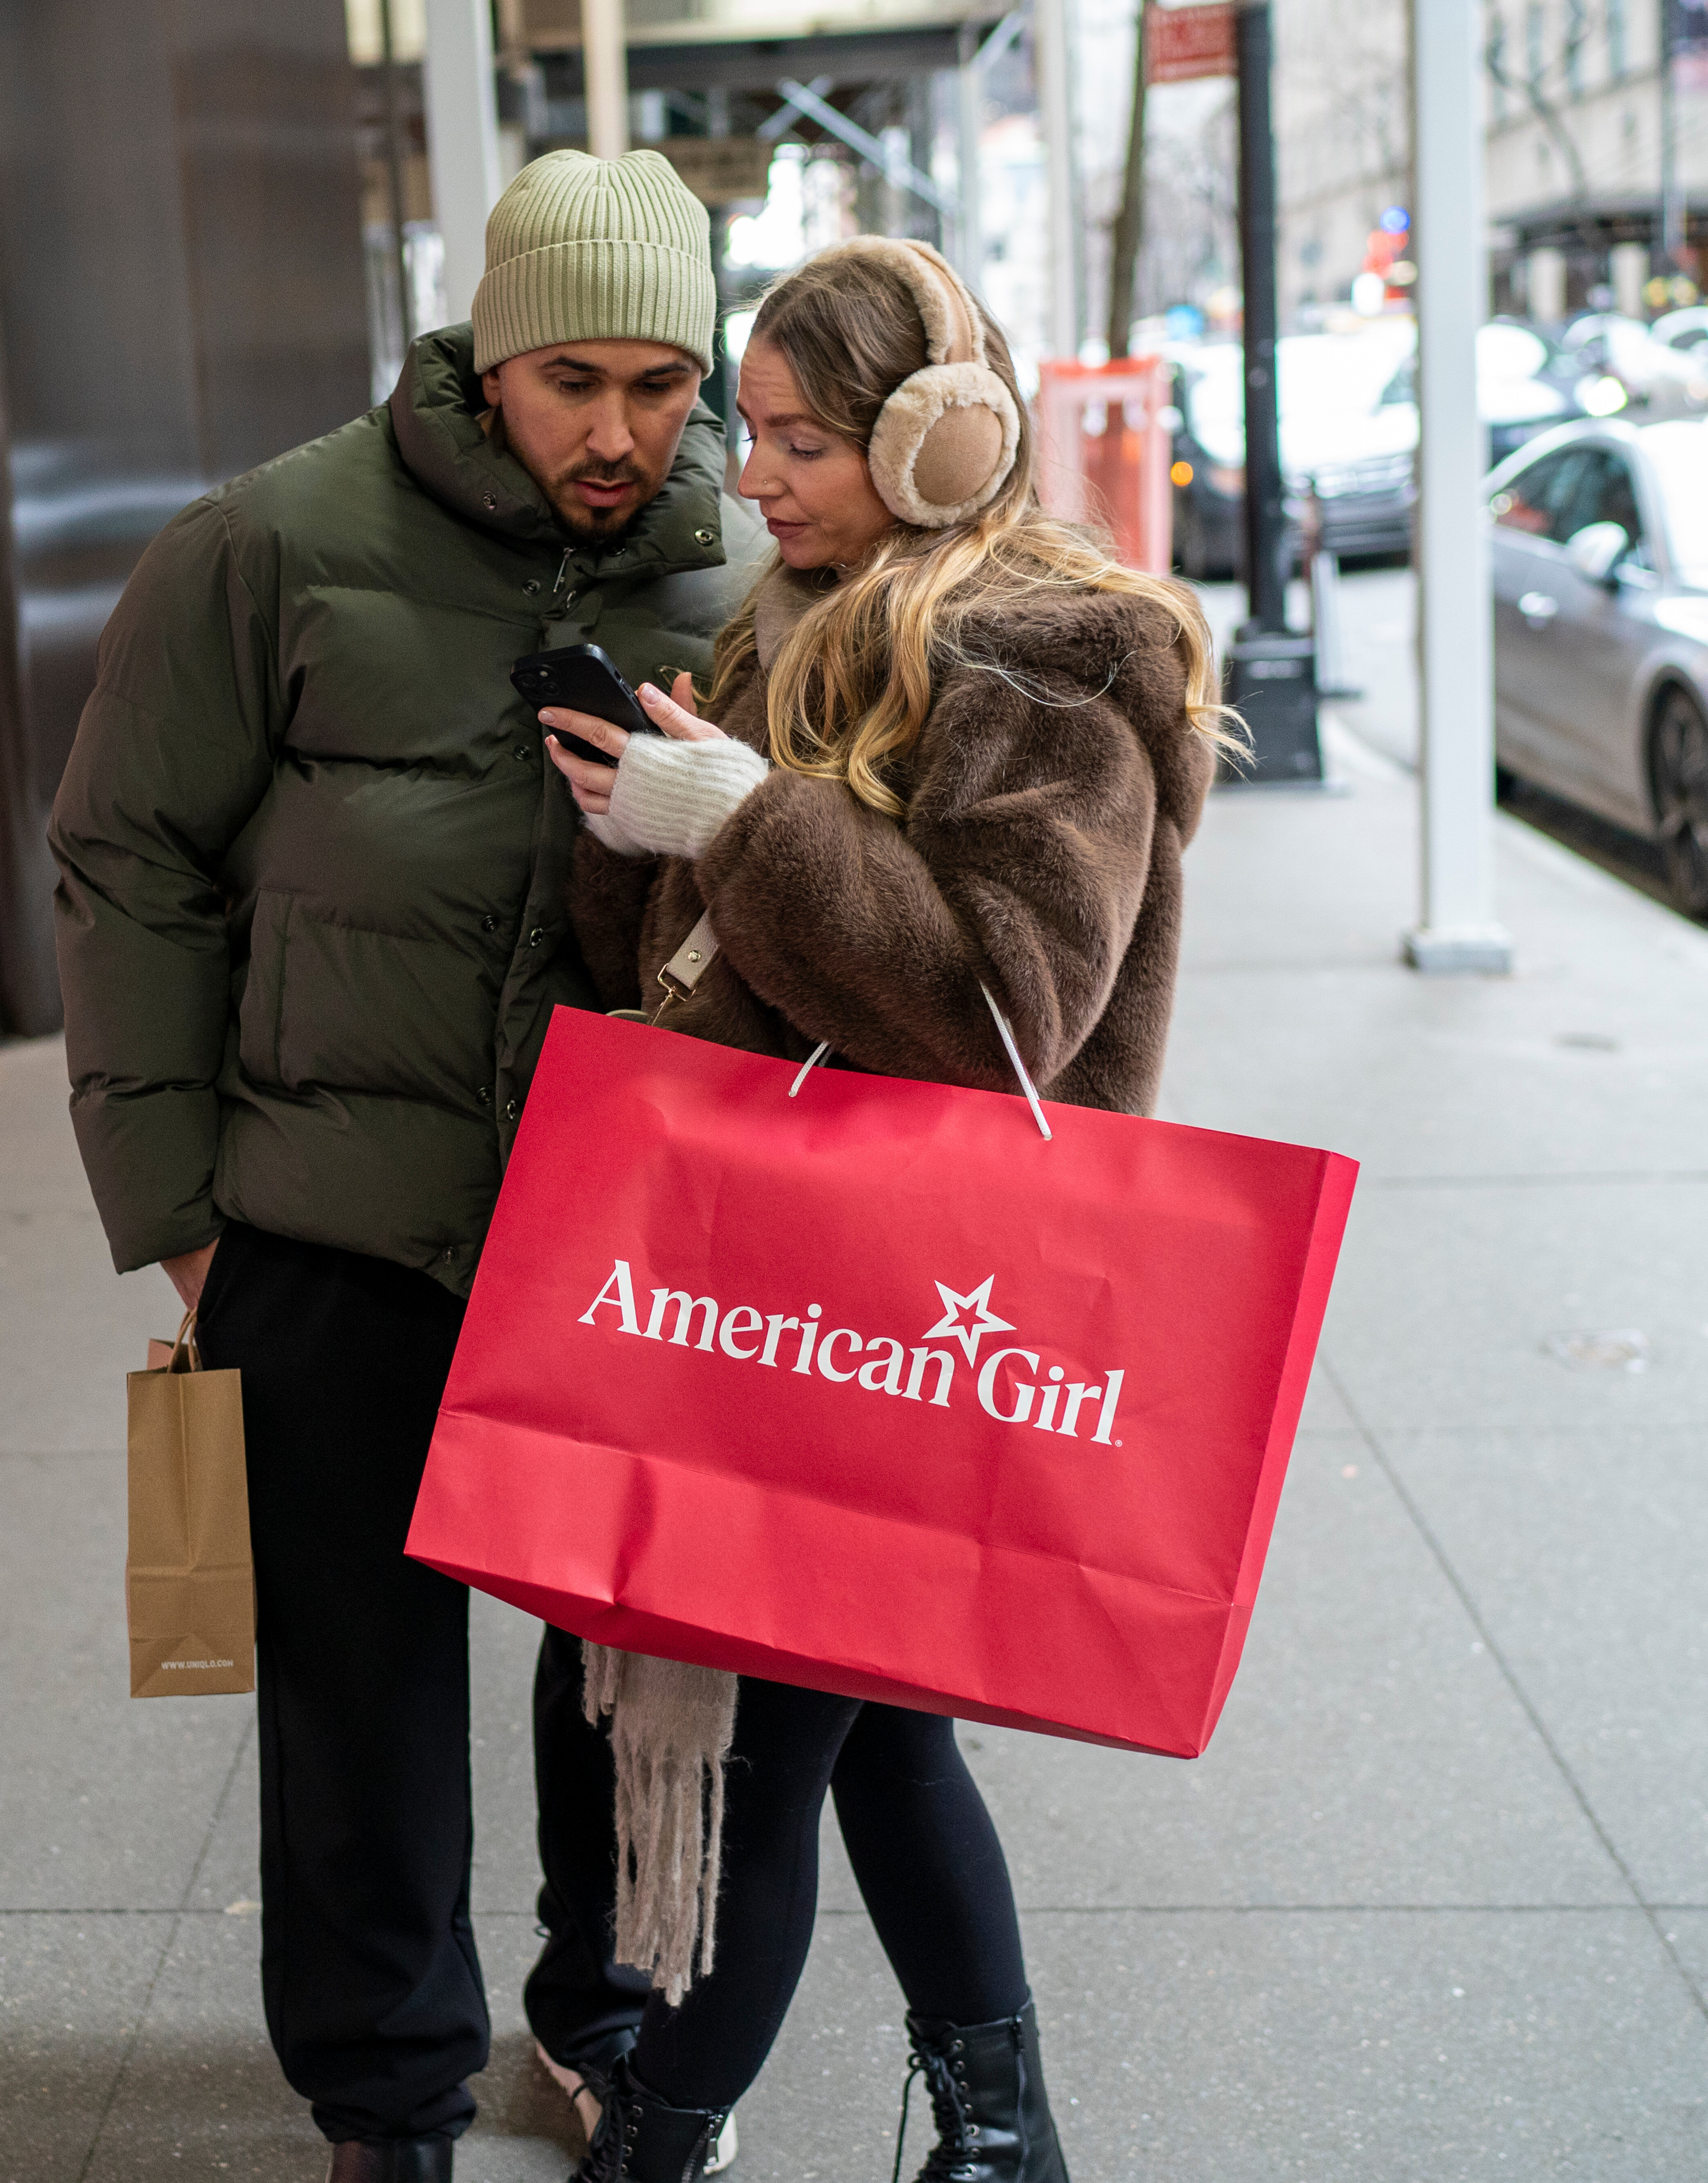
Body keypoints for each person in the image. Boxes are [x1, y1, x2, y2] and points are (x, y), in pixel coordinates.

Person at [48, 149, 766, 2183]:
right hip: (328, 1226)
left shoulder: (741, 569)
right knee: (351, 1693)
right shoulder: (270, 543)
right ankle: (383, 2091)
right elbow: (127, 862)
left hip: (619, 1235)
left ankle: (597, 2011)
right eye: (570, 385)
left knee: (617, 1667)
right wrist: (177, 1211)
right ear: (481, 359)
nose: (617, 433)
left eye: (659, 382)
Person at [538, 237, 1234, 2183]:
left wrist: (746, 819)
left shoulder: (1051, 659)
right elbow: (703, 963)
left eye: (802, 438)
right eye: (749, 432)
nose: (750, 476)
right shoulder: (800, 618)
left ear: (943, 436)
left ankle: (656, 2145)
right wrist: (635, 820)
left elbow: (1001, 1006)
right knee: (887, 1741)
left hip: (922, 1310)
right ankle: (1004, 2145)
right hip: (783, 1289)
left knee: (772, 1760)